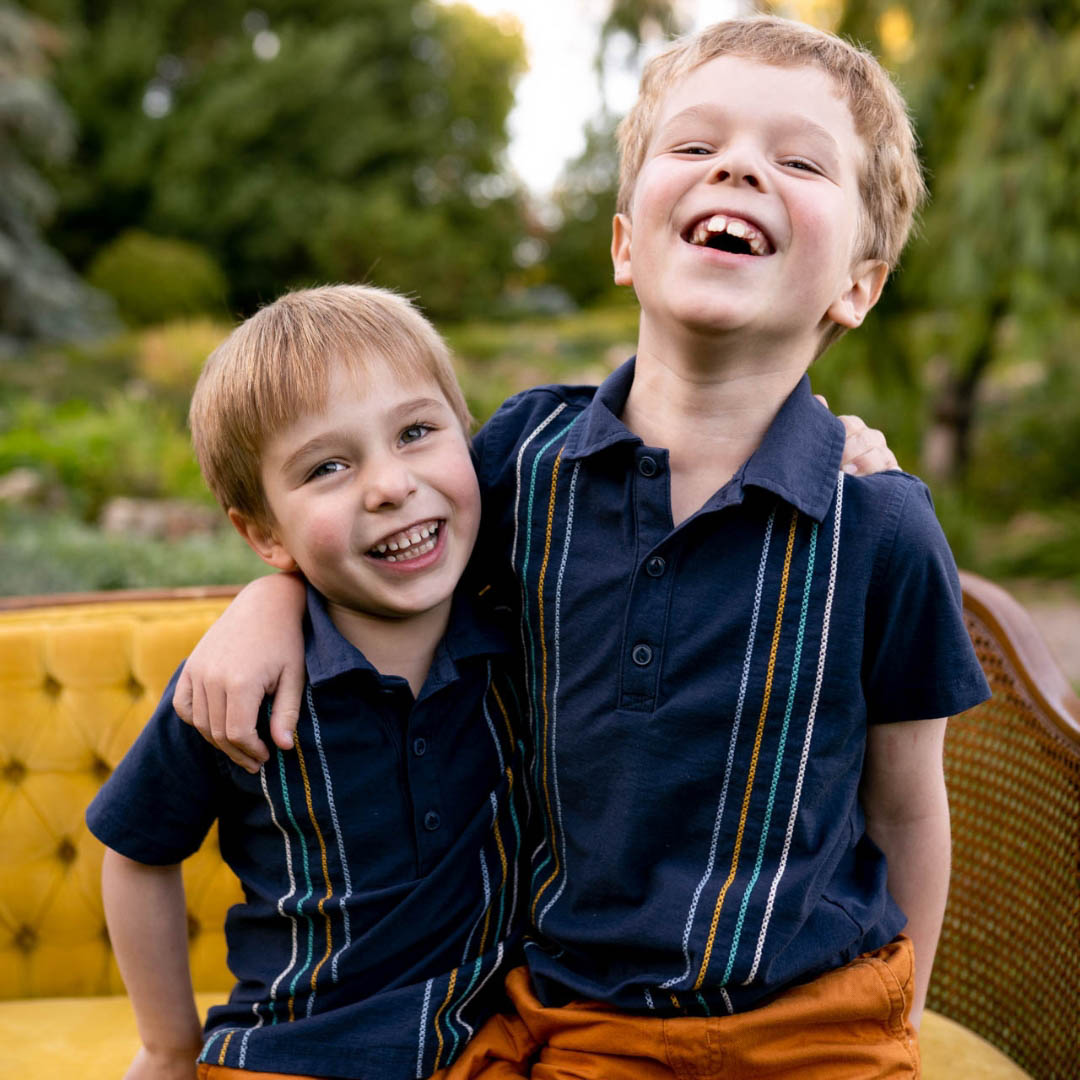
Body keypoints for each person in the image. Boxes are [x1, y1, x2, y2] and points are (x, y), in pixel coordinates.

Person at [175, 15, 989, 1078]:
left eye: (797, 160)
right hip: (569, 1016)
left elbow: (908, 803)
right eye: (695, 148)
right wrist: (268, 602)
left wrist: (901, 1020)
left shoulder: (881, 527)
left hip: (815, 1022)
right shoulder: (523, 461)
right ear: (623, 243)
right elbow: (385, 551)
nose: (738, 166)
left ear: (859, 285)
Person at [86, 285, 534, 1080]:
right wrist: (166, 1044)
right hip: (291, 1053)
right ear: (262, 531)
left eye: (418, 432)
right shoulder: (238, 688)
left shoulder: (526, 626)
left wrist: (826, 438)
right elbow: (137, 848)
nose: (390, 485)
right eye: (328, 466)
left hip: (490, 1045)